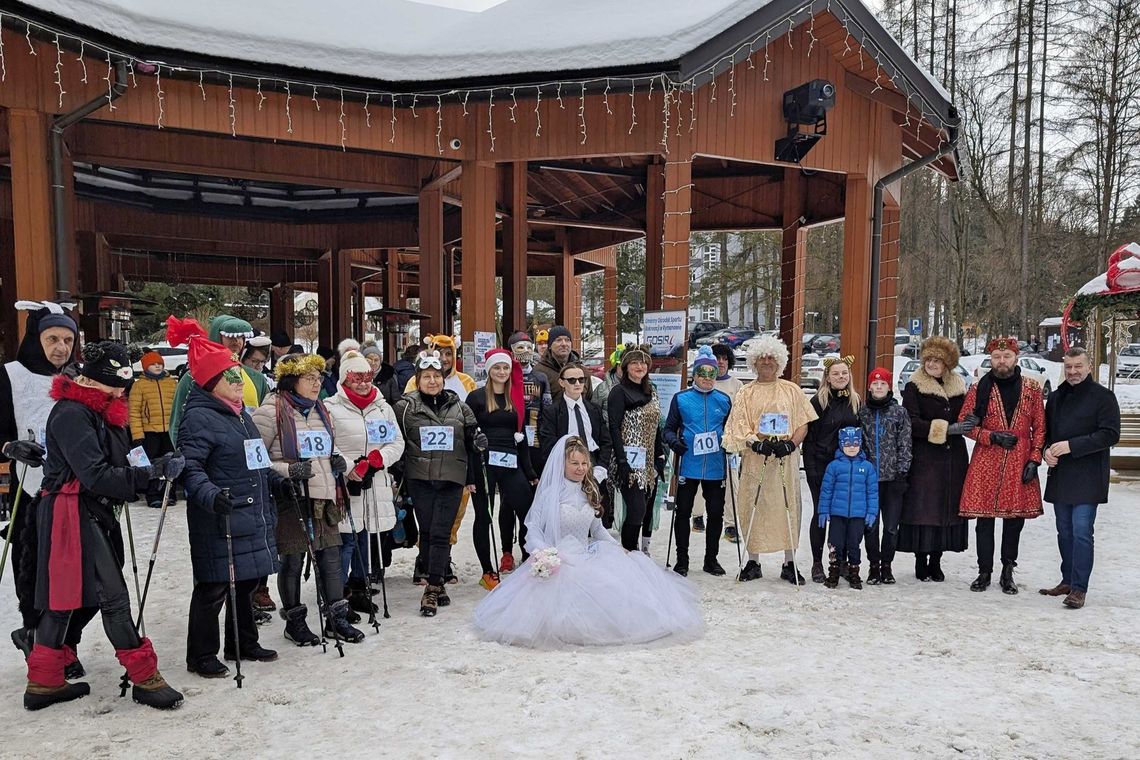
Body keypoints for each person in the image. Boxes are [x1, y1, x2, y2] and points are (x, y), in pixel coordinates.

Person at [25, 341, 184, 710]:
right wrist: (148, 475)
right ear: (92, 380)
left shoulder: (102, 409)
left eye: (123, 386)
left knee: (64, 600)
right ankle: (145, 677)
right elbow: (95, 474)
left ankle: (44, 681)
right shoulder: (72, 413)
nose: (120, 392)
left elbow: (122, 459)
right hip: (72, 512)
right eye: (115, 384)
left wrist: (155, 464)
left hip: (88, 510)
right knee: (112, 597)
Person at [471, 435, 703, 649]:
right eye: (574, 463)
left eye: (584, 463)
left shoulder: (589, 491)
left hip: (586, 555)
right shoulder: (549, 494)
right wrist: (544, 554)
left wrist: (618, 548)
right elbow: (533, 530)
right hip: (556, 560)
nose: (580, 468)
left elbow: (598, 530)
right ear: (562, 464)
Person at [175, 323, 283, 677]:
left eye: (239, 374)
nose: (240, 380)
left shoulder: (240, 415)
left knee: (247, 581)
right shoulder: (199, 417)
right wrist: (210, 494)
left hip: (250, 512)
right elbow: (190, 467)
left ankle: (243, 642)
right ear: (211, 381)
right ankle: (201, 654)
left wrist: (278, 480)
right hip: (219, 514)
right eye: (231, 375)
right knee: (214, 585)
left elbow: (257, 459)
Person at [252, 353, 365, 645]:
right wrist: (288, 471)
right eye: (309, 379)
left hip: (323, 495)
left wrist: (341, 462)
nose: (317, 384)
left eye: (318, 379)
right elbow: (255, 458)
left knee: (331, 558)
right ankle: (295, 621)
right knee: (292, 559)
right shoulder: (270, 411)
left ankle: (336, 618)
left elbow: (329, 449)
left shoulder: (320, 410)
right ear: (291, 381)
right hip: (292, 497)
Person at [1, 301, 84, 667]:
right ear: (36, 338)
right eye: (52, 339)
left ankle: (66, 642)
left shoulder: (77, 377)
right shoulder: (11, 375)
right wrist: (9, 447)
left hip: (75, 487)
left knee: (77, 571)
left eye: (68, 340)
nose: (61, 348)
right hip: (30, 486)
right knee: (35, 568)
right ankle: (36, 637)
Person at [723, 335, 817, 583]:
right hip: (756, 459)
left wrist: (791, 444)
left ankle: (790, 562)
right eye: (762, 358)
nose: (766, 362)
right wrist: (755, 442)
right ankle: (753, 561)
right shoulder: (746, 392)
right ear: (754, 362)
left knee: (788, 506)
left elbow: (803, 422)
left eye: (771, 357)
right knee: (753, 505)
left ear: (779, 361)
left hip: (785, 460)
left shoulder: (791, 390)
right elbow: (738, 424)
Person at [394, 350, 480, 616]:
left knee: (442, 532)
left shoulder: (460, 407)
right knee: (428, 532)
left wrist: (478, 445)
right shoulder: (405, 407)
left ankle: (432, 587)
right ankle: (437, 579)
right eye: (426, 377)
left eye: (437, 376)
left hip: (451, 478)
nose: (432, 381)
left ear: (443, 378)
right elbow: (397, 442)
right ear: (418, 380)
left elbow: (471, 442)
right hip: (421, 478)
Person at [958, 337, 1046, 595]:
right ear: (991, 359)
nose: (1002, 361)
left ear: (1016, 358)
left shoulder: (1031, 388)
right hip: (987, 459)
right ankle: (984, 571)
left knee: (1014, 519)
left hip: (1019, 458)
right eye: (997, 357)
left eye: (1007, 356)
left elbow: (1040, 427)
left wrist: (1034, 459)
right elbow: (965, 423)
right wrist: (991, 436)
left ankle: (1008, 570)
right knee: (984, 520)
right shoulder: (979, 389)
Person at [323, 350, 404, 615]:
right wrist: (349, 466)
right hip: (346, 482)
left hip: (374, 480)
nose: (362, 383)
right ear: (345, 379)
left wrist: (380, 458)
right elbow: (328, 444)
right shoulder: (331, 407)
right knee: (347, 538)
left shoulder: (382, 407)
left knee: (366, 534)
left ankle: (359, 587)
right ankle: (338, 595)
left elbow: (397, 442)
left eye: (367, 377)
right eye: (356, 377)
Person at [1040, 347, 1120, 609]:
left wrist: (1072, 446)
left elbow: (1110, 434)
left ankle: (1079, 588)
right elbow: (1047, 434)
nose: (1073, 371)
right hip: (1061, 474)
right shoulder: (1056, 397)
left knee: (1082, 531)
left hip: (1088, 475)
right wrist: (1046, 451)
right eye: (1068, 367)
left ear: (1088, 366)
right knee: (1064, 531)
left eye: (1078, 366)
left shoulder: (1103, 397)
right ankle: (1067, 580)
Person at [899, 336, 971, 582]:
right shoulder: (914, 386)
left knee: (945, 508)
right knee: (924, 509)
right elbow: (911, 422)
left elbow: (966, 415)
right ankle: (921, 559)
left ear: (947, 364)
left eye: (936, 360)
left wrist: (970, 422)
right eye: (928, 359)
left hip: (953, 460)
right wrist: (945, 429)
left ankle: (937, 560)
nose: (931, 364)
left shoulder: (958, 385)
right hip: (925, 459)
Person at [465, 349, 538, 588]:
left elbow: (522, 435)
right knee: (484, 516)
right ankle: (488, 571)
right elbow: (467, 436)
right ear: (489, 370)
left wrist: (529, 472)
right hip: (483, 463)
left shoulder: (515, 397)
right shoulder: (476, 398)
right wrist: (469, 475)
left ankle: (530, 557)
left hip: (509, 460)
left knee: (528, 511)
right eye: (497, 367)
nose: (502, 372)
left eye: (506, 368)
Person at [662, 346, 732, 577]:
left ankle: (711, 560)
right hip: (688, 464)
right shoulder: (681, 398)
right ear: (695, 374)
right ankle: (682, 560)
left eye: (712, 373)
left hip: (715, 466)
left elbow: (731, 430)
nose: (707, 378)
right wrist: (674, 442)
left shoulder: (723, 400)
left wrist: (730, 443)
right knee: (683, 512)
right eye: (702, 373)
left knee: (716, 513)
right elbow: (668, 429)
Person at [802, 355, 861, 583]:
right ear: (827, 377)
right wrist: (811, 469)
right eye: (835, 373)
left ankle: (840, 560)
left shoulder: (855, 401)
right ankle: (817, 562)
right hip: (821, 466)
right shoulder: (818, 401)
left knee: (842, 514)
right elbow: (809, 439)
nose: (840, 377)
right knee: (821, 513)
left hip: (846, 468)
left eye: (844, 373)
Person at [169, 314, 266, 441]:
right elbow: (177, 423)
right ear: (217, 337)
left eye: (240, 337)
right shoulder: (193, 378)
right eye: (230, 336)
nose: (236, 341)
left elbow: (265, 417)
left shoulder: (256, 378)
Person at [607, 347, 666, 553]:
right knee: (636, 510)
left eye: (643, 363)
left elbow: (656, 426)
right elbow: (614, 427)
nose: (639, 366)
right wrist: (622, 461)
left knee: (645, 508)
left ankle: (635, 552)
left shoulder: (652, 391)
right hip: (628, 459)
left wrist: (660, 455)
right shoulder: (618, 392)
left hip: (648, 460)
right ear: (625, 366)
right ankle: (629, 552)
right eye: (634, 362)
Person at [857, 367, 912, 585]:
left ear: (889, 387)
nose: (879, 387)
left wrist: (902, 472)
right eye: (875, 384)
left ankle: (887, 565)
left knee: (890, 526)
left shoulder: (899, 412)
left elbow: (905, 443)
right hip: (869, 480)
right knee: (870, 525)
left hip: (892, 480)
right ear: (869, 387)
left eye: (883, 384)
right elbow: (858, 443)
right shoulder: (863, 413)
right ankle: (873, 565)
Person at [817, 427, 879, 589]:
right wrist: (823, 510)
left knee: (854, 544)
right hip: (837, 514)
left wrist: (872, 512)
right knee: (835, 543)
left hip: (858, 515)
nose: (852, 447)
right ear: (840, 444)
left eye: (855, 443)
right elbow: (826, 490)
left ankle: (854, 573)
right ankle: (833, 572)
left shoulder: (867, 468)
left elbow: (872, 492)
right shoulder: (833, 466)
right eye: (847, 443)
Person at [129, 350, 179, 509]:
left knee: (171, 463)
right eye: (153, 364)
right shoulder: (139, 385)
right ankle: (153, 494)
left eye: (159, 363)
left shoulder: (172, 383)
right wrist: (137, 434)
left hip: (169, 431)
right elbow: (134, 412)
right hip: (149, 432)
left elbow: (178, 407)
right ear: (145, 367)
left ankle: (169, 493)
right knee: (151, 464)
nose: (157, 366)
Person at [507, 331, 551, 454]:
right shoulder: (505, 376)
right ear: (512, 351)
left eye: (529, 347)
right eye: (520, 347)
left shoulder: (541, 377)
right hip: (510, 433)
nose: (526, 351)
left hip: (536, 436)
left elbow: (548, 408)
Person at [401, 334, 476, 396]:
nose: (444, 359)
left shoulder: (467, 381)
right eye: (439, 353)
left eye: (448, 354)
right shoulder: (415, 381)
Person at [536, 325, 592, 404]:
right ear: (550, 345)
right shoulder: (539, 372)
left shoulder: (582, 371)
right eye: (558, 340)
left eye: (567, 340)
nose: (564, 344)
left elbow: (589, 400)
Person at [360, 340, 402, 406]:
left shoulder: (389, 375)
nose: (373, 363)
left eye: (376, 360)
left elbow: (396, 401)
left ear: (380, 361)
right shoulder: (358, 375)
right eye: (369, 360)